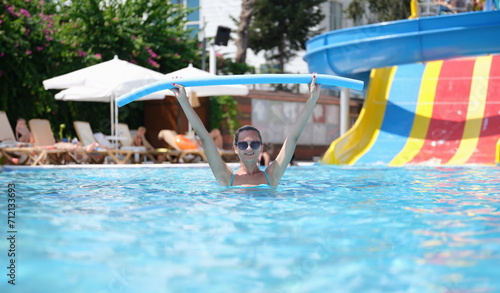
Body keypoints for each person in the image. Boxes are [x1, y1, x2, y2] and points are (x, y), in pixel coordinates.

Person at [171, 75, 321, 187]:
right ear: (236, 149)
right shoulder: (226, 177)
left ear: (261, 147)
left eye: (254, 144)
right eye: (243, 145)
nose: (249, 148)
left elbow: (293, 137)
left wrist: (312, 98)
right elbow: (204, 138)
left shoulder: (272, 176)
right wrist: (183, 100)